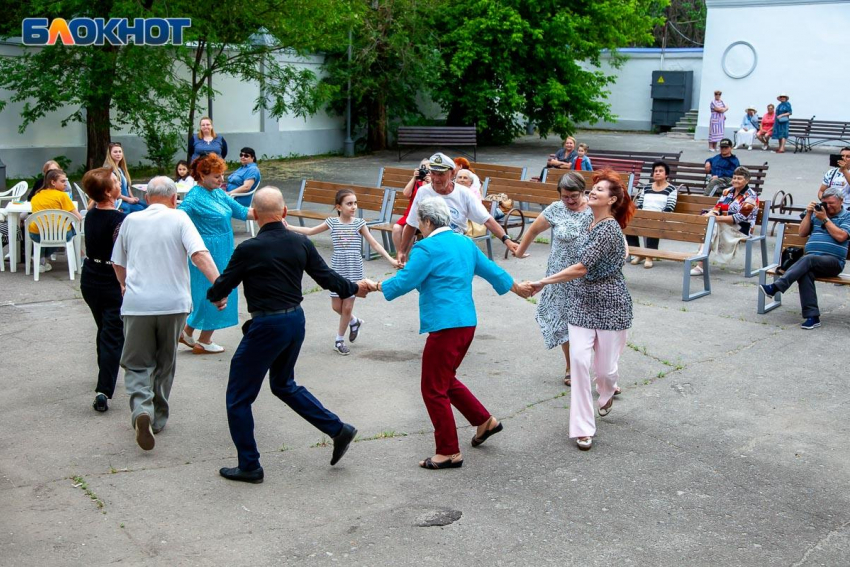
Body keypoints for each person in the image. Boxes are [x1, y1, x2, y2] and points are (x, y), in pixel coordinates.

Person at [206, 188, 365, 483]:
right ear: (285, 213)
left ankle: (250, 465)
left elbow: (223, 284)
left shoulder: (249, 248)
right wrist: (355, 287)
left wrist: (215, 295)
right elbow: (328, 278)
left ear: (254, 214)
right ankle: (338, 429)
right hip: (295, 321)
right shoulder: (299, 242)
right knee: (282, 384)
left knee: (238, 397)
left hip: (267, 327)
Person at [369, 197, 532, 469]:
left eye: (419, 222)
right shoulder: (465, 242)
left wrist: (373, 286)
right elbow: (492, 271)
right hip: (466, 322)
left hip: (446, 326)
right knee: (444, 379)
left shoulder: (426, 247)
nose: (418, 228)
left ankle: (448, 451)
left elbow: (403, 283)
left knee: (433, 388)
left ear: (429, 221)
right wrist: (518, 288)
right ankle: (484, 421)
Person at [527, 169, 635, 451]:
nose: (593, 192)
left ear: (612, 200)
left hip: (611, 304)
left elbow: (582, 266)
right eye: (594, 188)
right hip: (580, 302)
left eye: (600, 189)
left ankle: (608, 390)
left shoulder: (608, 228)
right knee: (578, 363)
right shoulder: (587, 222)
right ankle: (583, 428)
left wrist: (542, 282)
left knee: (605, 371)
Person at [111, 176, 220, 451]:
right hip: (174, 305)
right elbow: (199, 255)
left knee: (137, 363)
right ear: (174, 198)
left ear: (147, 198)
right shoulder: (180, 218)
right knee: (165, 362)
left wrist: (124, 285)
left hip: (138, 305)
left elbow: (117, 262)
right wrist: (220, 287)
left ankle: (141, 410)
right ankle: (157, 419)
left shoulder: (130, 221)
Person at [288, 189, 399, 355]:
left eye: (355, 203)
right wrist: (288, 226)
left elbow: (374, 244)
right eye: (349, 203)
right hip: (338, 267)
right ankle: (354, 322)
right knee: (336, 306)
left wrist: (390, 260)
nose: (353, 206)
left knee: (347, 307)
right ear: (338, 207)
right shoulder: (332, 222)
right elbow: (311, 231)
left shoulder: (359, 223)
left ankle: (339, 340)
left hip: (354, 267)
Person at [513, 172, 593, 386]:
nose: (569, 201)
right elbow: (532, 230)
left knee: (591, 324)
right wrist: (520, 252)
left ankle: (604, 373)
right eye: (565, 196)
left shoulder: (595, 209)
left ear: (583, 191)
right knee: (562, 322)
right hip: (558, 276)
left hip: (587, 276)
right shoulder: (556, 209)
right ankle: (571, 366)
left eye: (574, 196)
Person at [178, 153, 256, 354]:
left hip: (224, 248)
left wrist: (268, 212)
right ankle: (204, 340)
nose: (222, 180)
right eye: (216, 176)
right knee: (215, 291)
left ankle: (187, 332)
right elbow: (176, 218)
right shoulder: (194, 197)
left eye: (222, 175)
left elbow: (241, 211)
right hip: (206, 252)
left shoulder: (219, 193)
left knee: (209, 292)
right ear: (202, 176)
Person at [398, 153, 519, 264]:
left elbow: (487, 219)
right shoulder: (423, 192)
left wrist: (507, 240)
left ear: (452, 173)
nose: (436, 179)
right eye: (433, 173)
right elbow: (411, 223)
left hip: (457, 248)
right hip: (432, 249)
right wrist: (402, 251)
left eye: (441, 174)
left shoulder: (464, 193)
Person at [760, 187, 850, 329]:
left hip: (833, 262)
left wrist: (825, 219)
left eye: (832, 203)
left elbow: (841, 236)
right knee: (805, 272)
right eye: (825, 203)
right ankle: (812, 316)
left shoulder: (847, 216)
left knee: (808, 259)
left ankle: (776, 286)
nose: (828, 206)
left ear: (842, 201)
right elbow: (802, 233)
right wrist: (809, 214)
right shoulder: (817, 213)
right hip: (812, 262)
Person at [80, 168, 126, 413]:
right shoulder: (119, 220)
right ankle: (104, 390)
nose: (120, 183)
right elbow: (121, 256)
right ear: (108, 192)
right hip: (109, 279)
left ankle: (104, 375)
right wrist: (124, 282)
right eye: (116, 181)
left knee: (105, 329)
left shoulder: (91, 214)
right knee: (112, 334)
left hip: (90, 277)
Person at [690, 166, 759, 276]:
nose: (735, 180)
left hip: (742, 227)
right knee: (712, 223)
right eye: (734, 178)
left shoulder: (751, 196)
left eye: (739, 178)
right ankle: (701, 259)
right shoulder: (727, 191)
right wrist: (711, 214)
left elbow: (740, 217)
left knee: (714, 224)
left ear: (747, 180)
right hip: (724, 224)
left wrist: (716, 218)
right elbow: (718, 207)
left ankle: (701, 257)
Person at [28, 168, 82, 273]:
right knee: (69, 231)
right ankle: (46, 257)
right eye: (62, 181)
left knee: (44, 234)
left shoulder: (36, 196)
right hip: (59, 234)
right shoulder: (62, 196)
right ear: (53, 182)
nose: (66, 184)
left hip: (37, 233)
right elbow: (78, 217)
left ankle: (40, 258)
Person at [627, 161, 678, 269]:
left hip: (661, 218)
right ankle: (639, 253)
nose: (657, 173)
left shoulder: (671, 189)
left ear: (666, 175)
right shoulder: (647, 187)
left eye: (660, 171)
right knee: (629, 224)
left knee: (653, 223)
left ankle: (650, 256)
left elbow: (670, 207)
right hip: (644, 216)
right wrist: (640, 214)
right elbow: (639, 204)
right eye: (655, 171)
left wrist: (657, 217)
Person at [392, 158, 431, 254]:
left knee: (407, 229)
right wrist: (414, 178)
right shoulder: (416, 182)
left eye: (428, 170)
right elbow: (406, 194)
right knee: (396, 228)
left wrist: (431, 182)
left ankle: (405, 255)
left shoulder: (434, 184)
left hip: (425, 217)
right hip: (411, 214)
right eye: (424, 169)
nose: (425, 172)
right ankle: (400, 254)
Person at [104, 142, 145, 214]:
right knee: (141, 209)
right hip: (119, 202)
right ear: (110, 154)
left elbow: (127, 187)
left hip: (127, 200)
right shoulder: (110, 171)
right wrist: (128, 199)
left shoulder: (121, 169)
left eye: (120, 151)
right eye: (115, 152)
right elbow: (113, 192)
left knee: (147, 205)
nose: (118, 154)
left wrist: (132, 198)